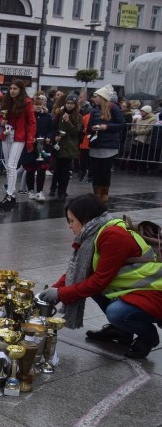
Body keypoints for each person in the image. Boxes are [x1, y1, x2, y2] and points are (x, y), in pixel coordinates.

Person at [39, 194, 162, 359]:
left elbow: (98, 282)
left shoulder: (113, 236)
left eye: (72, 220)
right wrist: (54, 289)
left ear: (86, 218)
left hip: (154, 292)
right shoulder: (97, 231)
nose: (69, 226)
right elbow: (79, 272)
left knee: (116, 313)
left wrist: (61, 294)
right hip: (136, 289)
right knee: (86, 287)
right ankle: (122, 331)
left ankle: (148, 336)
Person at [0, 79, 35, 210]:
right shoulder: (6, 101)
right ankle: (10, 195)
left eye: (15, 89)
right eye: (11, 88)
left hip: (19, 136)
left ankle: (10, 194)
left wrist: (29, 140)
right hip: (7, 134)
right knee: (8, 166)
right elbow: (1, 116)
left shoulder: (27, 103)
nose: (12, 91)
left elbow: (31, 122)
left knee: (12, 165)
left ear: (20, 90)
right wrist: (1, 121)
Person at [87, 85, 125, 207]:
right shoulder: (94, 110)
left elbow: (121, 124)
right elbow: (89, 127)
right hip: (96, 144)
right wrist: (91, 129)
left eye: (96, 96)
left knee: (105, 170)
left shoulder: (114, 108)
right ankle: (96, 194)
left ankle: (104, 193)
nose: (94, 99)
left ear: (102, 97)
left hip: (108, 145)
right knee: (95, 170)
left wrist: (106, 127)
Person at [20, 96, 54, 202]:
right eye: (36, 104)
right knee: (30, 169)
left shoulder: (47, 117)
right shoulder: (28, 117)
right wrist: (30, 139)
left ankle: (39, 191)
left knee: (41, 170)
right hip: (30, 147)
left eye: (40, 104)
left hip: (43, 147)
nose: (38, 107)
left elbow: (51, 129)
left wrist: (49, 137)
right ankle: (30, 190)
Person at [50, 93, 82, 200]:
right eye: (68, 103)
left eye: (72, 103)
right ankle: (53, 188)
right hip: (59, 146)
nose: (69, 105)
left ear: (75, 105)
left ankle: (62, 191)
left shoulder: (78, 116)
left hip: (70, 147)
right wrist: (55, 136)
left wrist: (68, 121)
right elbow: (53, 127)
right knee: (58, 168)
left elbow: (76, 131)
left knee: (66, 170)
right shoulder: (59, 114)